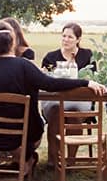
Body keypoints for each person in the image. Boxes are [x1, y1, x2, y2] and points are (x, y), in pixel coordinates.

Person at [0, 21, 105, 175]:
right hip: (24, 133)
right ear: (13, 42)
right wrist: (85, 82)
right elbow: (51, 84)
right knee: (36, 126)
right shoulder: (24, 66)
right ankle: (24, 157)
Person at [40, 22, 96, 167]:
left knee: (73, 114)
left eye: (70, 37)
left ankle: (71, 159)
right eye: (64, 36)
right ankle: (54, 158)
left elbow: (94, 79)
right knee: (56, 111)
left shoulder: (87, 55)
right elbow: (44, 81)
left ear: (78, 39)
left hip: (79, 101)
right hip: (54, 100)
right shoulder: (50, 57)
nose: (66, 40)